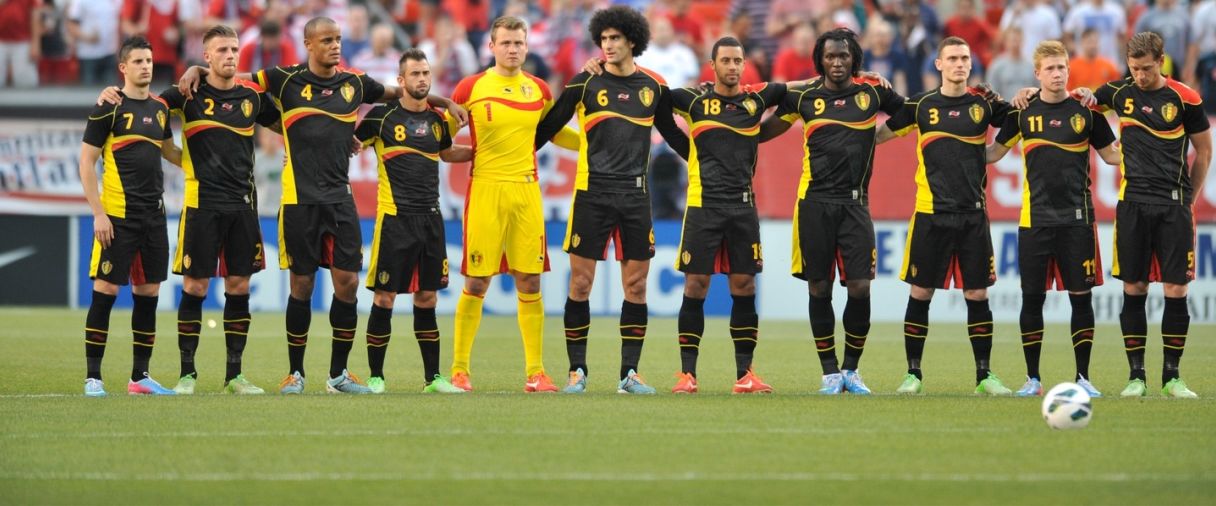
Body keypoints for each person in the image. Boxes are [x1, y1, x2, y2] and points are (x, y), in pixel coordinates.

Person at [176, 16, 466, 395]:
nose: (335, 45)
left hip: (340, 200)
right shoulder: (284, 79)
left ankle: (337, 374)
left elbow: (402, 92)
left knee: (347, 283)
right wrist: (198, 69)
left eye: (338, 39)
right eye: (327, 40)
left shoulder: (355, 83)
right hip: (299, 201)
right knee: (302, 284)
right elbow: (233, 76)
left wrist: (445, 101)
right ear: (309, 45)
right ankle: (295, 373)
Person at [534, 6, 690, 395]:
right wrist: (514, 157)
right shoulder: (585, 82)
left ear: (632, 41)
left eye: (615, 38)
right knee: (581, 283)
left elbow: (672, 134)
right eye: (603, 39)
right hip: (592, 193)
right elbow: (549, 126)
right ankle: (577, 371)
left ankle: (629, 374)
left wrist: (706, 163)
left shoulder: (654, 87)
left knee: (636, 286)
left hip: (636, 195)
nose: (607, 45)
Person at [758, 28, 904, 395]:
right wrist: (734, 119)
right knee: (819, 286)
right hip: (814, 202)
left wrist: (880, 135)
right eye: (830, 56)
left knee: (860, 287)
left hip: (855, 203)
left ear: (854, 59)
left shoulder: (873, 92)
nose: (837, 62)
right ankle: (829, 372)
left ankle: (851, 369)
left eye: (843, 56)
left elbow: (916, 113)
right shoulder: (804, 96)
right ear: (820, 61)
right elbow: (762, 131)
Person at [446, 16, 579, 393]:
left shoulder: (538, 89)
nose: (513, 49)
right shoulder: (470, 87)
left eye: (519, 43)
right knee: (477, 281)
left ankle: (536, 373)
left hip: (526, 192)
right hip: (485, 190)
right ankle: (459, 370)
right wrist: (449, 152)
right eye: (505, 43)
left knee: (530, 279)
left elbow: (554, 133)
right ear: (491, 47)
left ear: (527, 46)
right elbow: (441, 134)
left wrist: (593, 143)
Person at [875, 36, 1015, 396]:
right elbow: (878, 136)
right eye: (952, 58)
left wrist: (1000, 144)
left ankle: (984, 376)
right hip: (930, 214)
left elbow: (1022, 118)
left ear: (971, 64)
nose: (959, 64)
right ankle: (913, 374)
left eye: (964, 58)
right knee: (921, 292)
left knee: (977, 294)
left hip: (973, 214)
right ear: (938, 64)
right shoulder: (921, 105)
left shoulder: (984, 103)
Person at [985, 40, 1122, 398]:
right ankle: (1032, 378)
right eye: (1050, 68)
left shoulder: (1087, 112)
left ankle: (1083, 377)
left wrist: (1146, 142)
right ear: (1037, 73)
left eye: (1062, 67)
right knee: (1032, 299)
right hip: (1035, 221)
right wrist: (954, 147)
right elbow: (994, 153)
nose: (1057, 74)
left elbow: (1112, 157)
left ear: (1068, 70)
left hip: (1078, 220)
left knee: (1081, 298)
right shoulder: (1022, 112)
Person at [1089, 33, 1209, 397]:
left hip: (1174, 205)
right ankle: (1136, 377)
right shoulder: (1118, 92)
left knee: (1176, 288)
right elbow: (1083, 105)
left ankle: (1172, 377)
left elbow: (1204, 152)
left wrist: (1190, 198)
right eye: (1134, 69)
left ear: (1161, 61)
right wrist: (1106, 145)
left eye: (1146, 68)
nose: (1140, 76)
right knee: (1134, 287)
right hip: (1133, 204)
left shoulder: (1185, 98)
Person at [667, 37, 787, 395]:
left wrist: (858, 77)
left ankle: (745, 374)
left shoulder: (756, 99)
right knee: (696, 285)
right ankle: (687, 374)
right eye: (726, 60)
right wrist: (686, 149)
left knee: (744, 285)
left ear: (744, 64)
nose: (732, 66)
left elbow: (796, 89)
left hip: (742, 207)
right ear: (713, 64)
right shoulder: (694, 101)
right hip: (703, 206)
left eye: (738, 61)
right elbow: (654, 98)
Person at [354, 48, 472, 394]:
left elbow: (447, 152)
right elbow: (349, 144)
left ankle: (433, 379)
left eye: (426, 73)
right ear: (401, 80)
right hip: (395, 220)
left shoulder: (437, 120)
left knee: (427, 299)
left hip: (431, 220)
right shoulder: (381, 117)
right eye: (415, 74)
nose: (422, 79)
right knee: (384, 298)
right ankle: (376, 377)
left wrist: (482, 153)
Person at [79, 36, 182, 397]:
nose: (146, 66)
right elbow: (86, 162)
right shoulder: (108, 106)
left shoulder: (159, 109)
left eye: (149, 60)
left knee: (148, 292)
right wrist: (98, 214)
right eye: (138, 61)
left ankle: (140, 376)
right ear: (123, 68)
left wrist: (208, 164)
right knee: (106, 290)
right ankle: (93, 377)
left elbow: (170, 152)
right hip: (117, 217)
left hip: (154, 216)